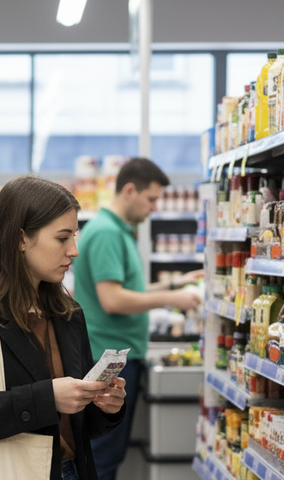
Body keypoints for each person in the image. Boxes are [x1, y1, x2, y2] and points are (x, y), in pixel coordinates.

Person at [0, 175, 126, 480]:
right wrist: (48, 397)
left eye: (74, 236)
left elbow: (79, 428)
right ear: (20, 239)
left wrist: (105, 406)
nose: (74, 250)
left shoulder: (68, 314)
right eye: (62, 238)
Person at [73, 158, 202, 480]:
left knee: (109, 453)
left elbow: (128, 290)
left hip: (116, 356)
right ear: (129, 190)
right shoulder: (106, 233)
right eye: (151, 199)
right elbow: (113, 299)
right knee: (103, 458)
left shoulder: (117, 230)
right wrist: (172, 299)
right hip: (107, 359)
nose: (155, 208)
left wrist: (175, 283)